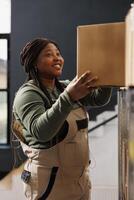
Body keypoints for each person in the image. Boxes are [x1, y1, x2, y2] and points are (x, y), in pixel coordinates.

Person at [12, 37, 112, 200]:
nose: (57, 58)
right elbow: (41, 132)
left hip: (79, 180)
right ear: (34, 63)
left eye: (58, 53)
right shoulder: (28, 94)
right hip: (49, 182)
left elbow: (98, 99)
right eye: (49, 54)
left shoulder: (64, 87)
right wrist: (69, 97)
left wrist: (105, 74)